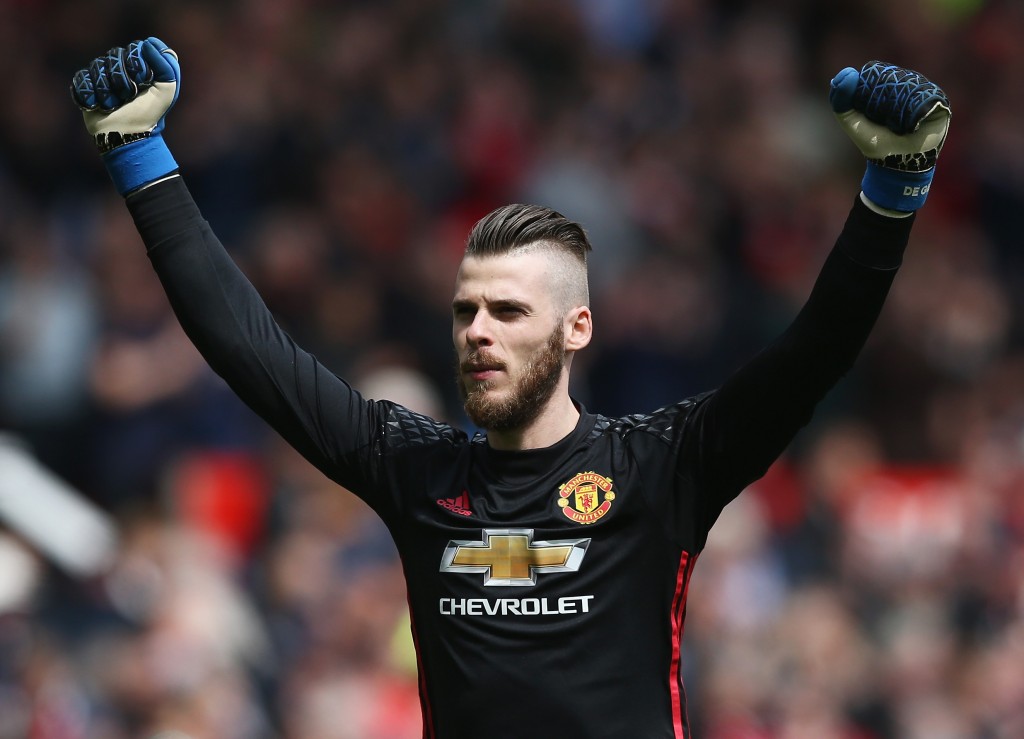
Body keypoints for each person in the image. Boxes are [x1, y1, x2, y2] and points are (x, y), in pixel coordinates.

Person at [71, 38, 950, 738]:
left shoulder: (661, 464)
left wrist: (893, 188)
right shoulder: (412, 468)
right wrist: (138, 153)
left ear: (577, 329)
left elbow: (815, 353)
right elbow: (249, 350)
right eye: (465, 311)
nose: (478, 332)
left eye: (507, 311)